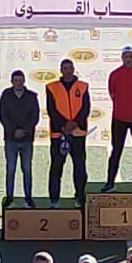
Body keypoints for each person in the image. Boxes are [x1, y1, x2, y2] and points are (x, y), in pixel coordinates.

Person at [103, 46, 132, 191]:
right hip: (119, 119)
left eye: (130, 56)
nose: (128, 59)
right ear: (122, 58)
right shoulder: (115, 74)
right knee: (116, 151)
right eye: (126, 56)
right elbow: (112, 93)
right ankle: (110, 183)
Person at [46, 58, 91, 207]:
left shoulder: (83, 86)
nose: (67, 70)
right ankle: (54, 200)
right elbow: (51, 110)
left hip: (77, 133)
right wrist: (64, 125)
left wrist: (74, 123)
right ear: (61, 70)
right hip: (59, 134)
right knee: (56, 167)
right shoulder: (52, 87)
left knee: (80, 167)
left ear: (73, 69)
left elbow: (86, 108)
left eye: (70, 68)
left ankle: (80, 197)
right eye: (65, 68)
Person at [0, 69, 40, 207]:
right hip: (11, 139)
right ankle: (9, 197)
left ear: (24, 81)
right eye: (16, 80)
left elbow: (34, 116)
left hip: (27, 139)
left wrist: (24, 131)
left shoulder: (31, 96)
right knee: (10, 169)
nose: (18, 83)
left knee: (27, 169)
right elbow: (3, 115)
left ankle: (28, 197)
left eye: (20, 80)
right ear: (12, 82)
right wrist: (14, 131)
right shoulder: (6, 96)